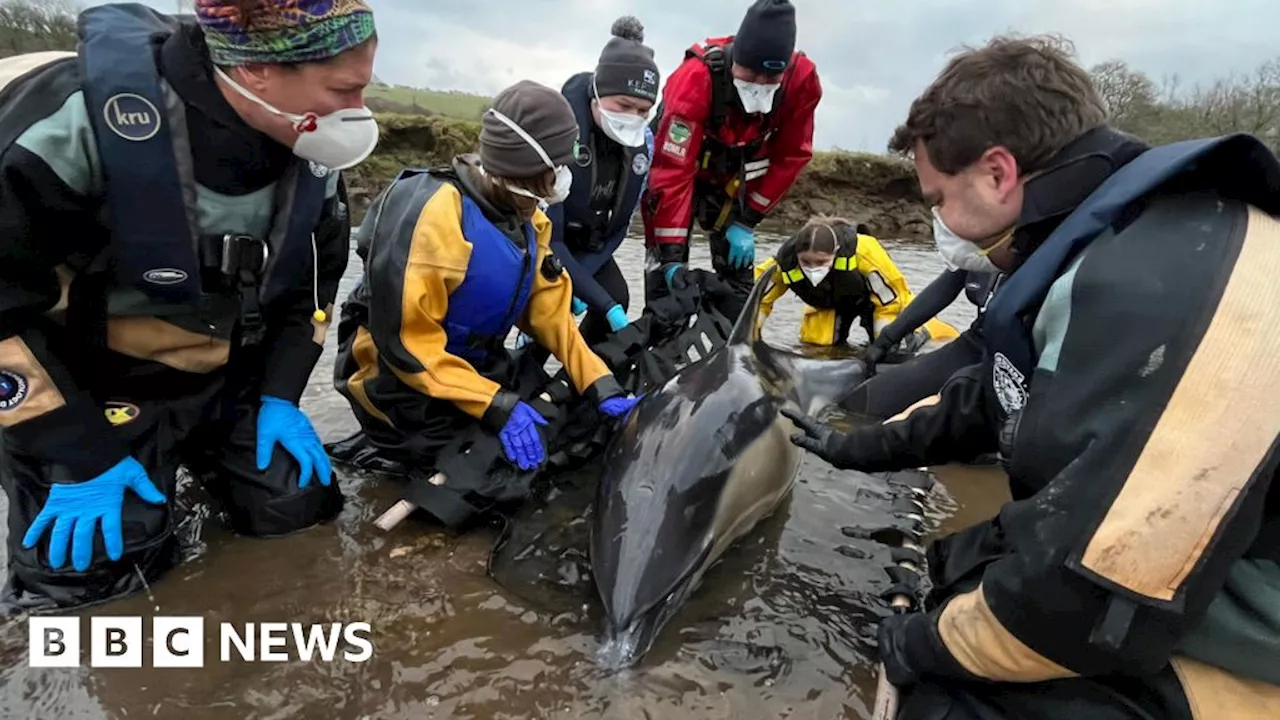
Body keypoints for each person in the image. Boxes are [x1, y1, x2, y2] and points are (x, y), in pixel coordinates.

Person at [783, 35, 1280, 719]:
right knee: (959, 567)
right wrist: (857, 447)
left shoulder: (1160, 285)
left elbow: (1088, 594)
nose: (940, 224)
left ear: (996, 174)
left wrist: (924, 645)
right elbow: (997, 398)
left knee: (946, 695)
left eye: (938, 198)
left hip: (1258, 638)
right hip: (1217, 572)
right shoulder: (1126, 238)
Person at [0, 0, 373, 612]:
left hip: (229, 381)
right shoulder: (64, 131)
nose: (357, 113)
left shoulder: (318, 150)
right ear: (258, 72)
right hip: (88, 387)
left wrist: (280, 394)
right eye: (343, 88)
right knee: (88, 574)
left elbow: (313, 292)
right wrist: (74, 447)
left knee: (296, 503)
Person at [332, 80, 641, 497]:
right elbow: (407, 346)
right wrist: (497, 406)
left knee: (566, 425)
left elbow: (552, 314)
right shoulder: (435, 218)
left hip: (468, 366)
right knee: (497, 483)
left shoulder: (529, 218)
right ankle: (382, 454)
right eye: (557, 170)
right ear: (526, 168)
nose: (562, 182)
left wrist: (600, 384)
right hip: (396, 381)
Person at [641, 0, 821, 321]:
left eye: (771, 76)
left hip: (733, 180)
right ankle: (660, 344)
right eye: (751, 73)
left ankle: (730, 349)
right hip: (681, 170)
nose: (759, 84)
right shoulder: (695, 78)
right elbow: (671, 171)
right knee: (665, 286)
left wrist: (747, 220)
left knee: (738, 293)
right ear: (736, 57)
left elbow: (792, 155)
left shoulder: (801, 81)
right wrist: (670, 256)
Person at [521, 16, 659, 355]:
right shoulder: (558, 136)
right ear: (597, 94)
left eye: (643, 109)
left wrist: (599, 298)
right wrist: (574, 287)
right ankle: (524, 371)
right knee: (549, 313)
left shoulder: (644, 144)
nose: (632, 116)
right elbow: (549, 237)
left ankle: (579, 377)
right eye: (623, 106)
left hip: (591, 244)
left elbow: (619, 229)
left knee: (617, 297)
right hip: (542, 243)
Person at [755, 216, 960, 350]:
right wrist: (750, 339)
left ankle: (927, 328)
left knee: (898, 348)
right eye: (806, 262)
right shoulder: (783, 263)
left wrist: (884, 344)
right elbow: (758, 301)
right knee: (817, 347)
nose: (812, 268)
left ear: (835, 253)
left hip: (877, 301)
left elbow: (889, 302)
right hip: (830, 303)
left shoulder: (866, 253)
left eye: (821, 262)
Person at [840, 260, 1002, 421]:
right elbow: (943, 289)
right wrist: (887, 339)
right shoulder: (976, 251)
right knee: (863, 402)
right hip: (978, 342)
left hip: (1012, 355)